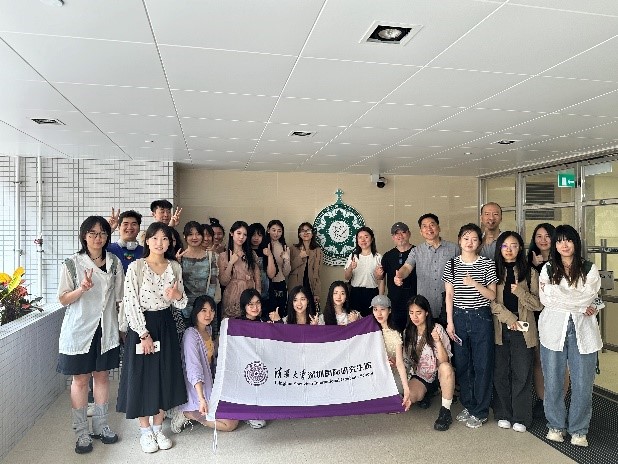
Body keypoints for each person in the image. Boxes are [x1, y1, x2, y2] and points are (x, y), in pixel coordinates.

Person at [116, 222, 188, 454]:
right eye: (155, 238)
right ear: (147, 241)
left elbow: (182, 302)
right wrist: (143, 334)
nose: (160, 243)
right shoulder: (136, 267)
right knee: (142, 377)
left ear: (170, 243)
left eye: (164, 239)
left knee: (164, 375)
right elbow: (130, 302)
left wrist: (176, 295)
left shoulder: (174, 267)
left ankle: (158, 428)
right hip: (143, 326)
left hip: (166, 323)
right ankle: (145, 431)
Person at [57, 216, 123, 454]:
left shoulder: (114, 262)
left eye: (103, 233)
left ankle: (101, 426)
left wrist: (123, 327)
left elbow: (119, 298)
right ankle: (81, 432)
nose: (98, 237)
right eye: (93, 233)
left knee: (102, 377)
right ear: (84, 236)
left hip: (106, 329)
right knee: (81, 380)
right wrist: (81, 289)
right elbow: (63, 299)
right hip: (80, 330)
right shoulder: (72, 263)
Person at [539, 225, 602, 447]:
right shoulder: (548, 268)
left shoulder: (589, 268)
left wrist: (560, 295)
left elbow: (589, 297)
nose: (564, 245)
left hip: (583, 330)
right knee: (553, 381)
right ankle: (555, 426)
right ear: (555, 245)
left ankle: (579, 430)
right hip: (553, 330)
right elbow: (546, 299)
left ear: (576, 242)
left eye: (568, 240)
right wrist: (578, 300)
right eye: (559, 241)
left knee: (583, 383)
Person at [443, 223, 498, 429]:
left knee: (482, 364)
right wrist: (450, 322)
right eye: (466, 238)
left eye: (474, 239)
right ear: (459, 241)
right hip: (458, 317)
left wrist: (475, 283)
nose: (470, 242)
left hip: (480, 318)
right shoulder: (451, 264)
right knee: (463, 364)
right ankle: (469, 405)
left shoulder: (487, 264)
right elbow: (449, 295)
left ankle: (481, 411)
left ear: (480, 243)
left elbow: (492, 295)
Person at [491, 231, 541, 433]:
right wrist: (509, 319)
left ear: (520, 248)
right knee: (501, 373)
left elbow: (538, 304)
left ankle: (521, 417)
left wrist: (520, 292)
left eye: (513, 245)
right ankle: (503, 413)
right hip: (500, 327)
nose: (509, 249)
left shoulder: (530, 272)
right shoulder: (493, 271)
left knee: (522, 373)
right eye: (505, 246)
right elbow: (490, 302)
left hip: (524, 327)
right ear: (499, 248)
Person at [171, 295, 238, 434]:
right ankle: (186, 413)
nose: (208, 314)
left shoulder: (208, 330)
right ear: (196, 312)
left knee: (235, 418)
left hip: (209, 384)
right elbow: (193, 368)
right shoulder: (191, 335)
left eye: (211, 310)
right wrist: (201, 399)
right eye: (204, 310)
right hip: (196, 389)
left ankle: (194, 412)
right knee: (230, 424)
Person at [404, 295, 455, 431]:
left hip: (439, 374)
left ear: (426, 313)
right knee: (409, 398)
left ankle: (445, 411)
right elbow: (407, 360)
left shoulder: (437, 328)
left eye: (419, 312)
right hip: (421, 376)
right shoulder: (408, 332)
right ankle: (427, 394)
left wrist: (437, 341)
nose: (415, 317)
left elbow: (444, 361)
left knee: (446, 368)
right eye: (411, 313)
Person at [395, 214, 458, 323]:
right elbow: (407, 267)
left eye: (432, 225)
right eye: (424, 226)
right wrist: (400, 275)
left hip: (449, 304)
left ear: (439, 227)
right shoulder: (416, 251)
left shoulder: (454, 249)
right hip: (425, 306)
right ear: (421, 231)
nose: (429, 229)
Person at [526, 223, 558, 415]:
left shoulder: (563, 259)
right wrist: (534, 266)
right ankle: (542, 399)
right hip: (537, 315)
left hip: (558, 316)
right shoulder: (528, 261)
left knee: (559, 362)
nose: (543, 240)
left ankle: (557, 402)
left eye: (547, 236)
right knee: (538, 359)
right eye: (539, 236)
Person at [371, 295, 411, 409]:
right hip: (375, 371)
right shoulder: (369, 331)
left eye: (382, 309)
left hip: (391, 371)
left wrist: (407, 388)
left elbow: (399, 363)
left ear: (389, 311)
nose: (379, 313)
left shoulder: (395, 334)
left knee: (397, 391)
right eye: (375, 309)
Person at [377, 222, 417, 332]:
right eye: (396, 234)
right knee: (396, 335)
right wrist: (378, 275)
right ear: (393, 237)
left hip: (415, 304)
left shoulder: (418, 252)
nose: (400, 236)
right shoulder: (388, 256)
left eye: (403, 232)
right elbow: (381, 279)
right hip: (394, 304)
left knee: (414, 334)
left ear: (409, 234)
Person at [178, 221, 218, 329]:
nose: (194, 237)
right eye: (190, 234)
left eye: (198, 234)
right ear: (185, 236)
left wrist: (206, 306)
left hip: (205, 309)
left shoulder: (210, 256)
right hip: (184, 308)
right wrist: (176, 263)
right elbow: (177, 283)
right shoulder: (180, 257)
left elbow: (213, 282)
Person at [218, 221, 261, 319]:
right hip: (232, 295)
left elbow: (257, 279)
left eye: (245, 235)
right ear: (231, 233)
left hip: (250, 294)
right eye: (238, 233)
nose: (241, 237)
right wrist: (231, 263)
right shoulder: (223, 256)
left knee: (250, 323)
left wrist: (258, 296)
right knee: (233, 324)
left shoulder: (252, 254)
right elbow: (223, 281)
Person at [344, 227, 384, 317]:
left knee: (371, 321)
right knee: (355, 321)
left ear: (372, 239)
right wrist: (351, 267)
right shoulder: (353, 256)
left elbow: (381, 280)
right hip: (355, 293)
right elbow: (346, 277)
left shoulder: (378, 257)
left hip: (372, 293)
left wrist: (380, 298)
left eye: (366, 237)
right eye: (360, 237)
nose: (363, 240)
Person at [288, 222, 323, 313]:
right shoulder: (293, 248)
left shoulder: (317, 250)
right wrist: (300, 257)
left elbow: (317, 273)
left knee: (310, 312)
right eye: (303, 231)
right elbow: (288, 269)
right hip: (295, 284)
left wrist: (317, 293)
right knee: (295, 312)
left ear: (312, 233)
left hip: (310, 285)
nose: (305, 233)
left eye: (308, 230)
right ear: (299, 234)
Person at [263, 220, 291, 316]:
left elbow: (286, 273)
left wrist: (287, 260)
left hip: (280, 284)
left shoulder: (284, 247)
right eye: (273, 230)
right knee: (266, 313)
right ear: (268, 230)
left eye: (279, 231)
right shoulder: (263, 245)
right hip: (265, 283)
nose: (276, 233)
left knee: (280, 312)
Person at [248, 223, 271, 308]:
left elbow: (271, 274)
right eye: (253, 235)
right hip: (249, 292)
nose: (256, 238)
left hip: (265, 291)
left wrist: (270, 255)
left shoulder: (265, 251)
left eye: (259, 235)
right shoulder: (245, 252)